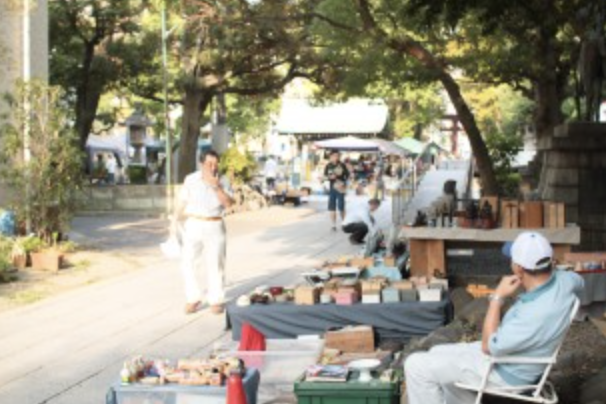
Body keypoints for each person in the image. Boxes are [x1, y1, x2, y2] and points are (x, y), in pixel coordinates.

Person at [404, 231, 584, 404]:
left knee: (415, 366)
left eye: (512, 259)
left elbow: (488, 346)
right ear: (549, 262)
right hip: (515, 356)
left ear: (519, 268)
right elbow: (578, 279)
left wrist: (497, 298)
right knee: (437, 352)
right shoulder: (565, 281)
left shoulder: (534, 313)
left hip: (506, 372)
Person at [172, 150, 234, 315]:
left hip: (215, 223)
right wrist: (174, 221)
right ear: (201, 164)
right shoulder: (191, 179)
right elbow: (183, 200)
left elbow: (228, 204)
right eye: (209, 164)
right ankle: (193, 298)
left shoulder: (223, 180)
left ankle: (216, 300)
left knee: (216, 264)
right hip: (194, 223)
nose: (213, 167)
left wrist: (216, 186)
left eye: (215, 164)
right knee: (188, 262)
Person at [323, 150, 350, 231]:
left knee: (341, 206)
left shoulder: (342, 165)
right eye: (334, 156)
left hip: (340, 188)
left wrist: (344, 183)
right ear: (330, 156)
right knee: (332, 207)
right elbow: (325, 176)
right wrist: (328, 178)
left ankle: (344, 223)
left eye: (337, 156)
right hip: (332, 188)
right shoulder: (328, 165)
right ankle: (333, 225)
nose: (336, 157)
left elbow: (347, 176)